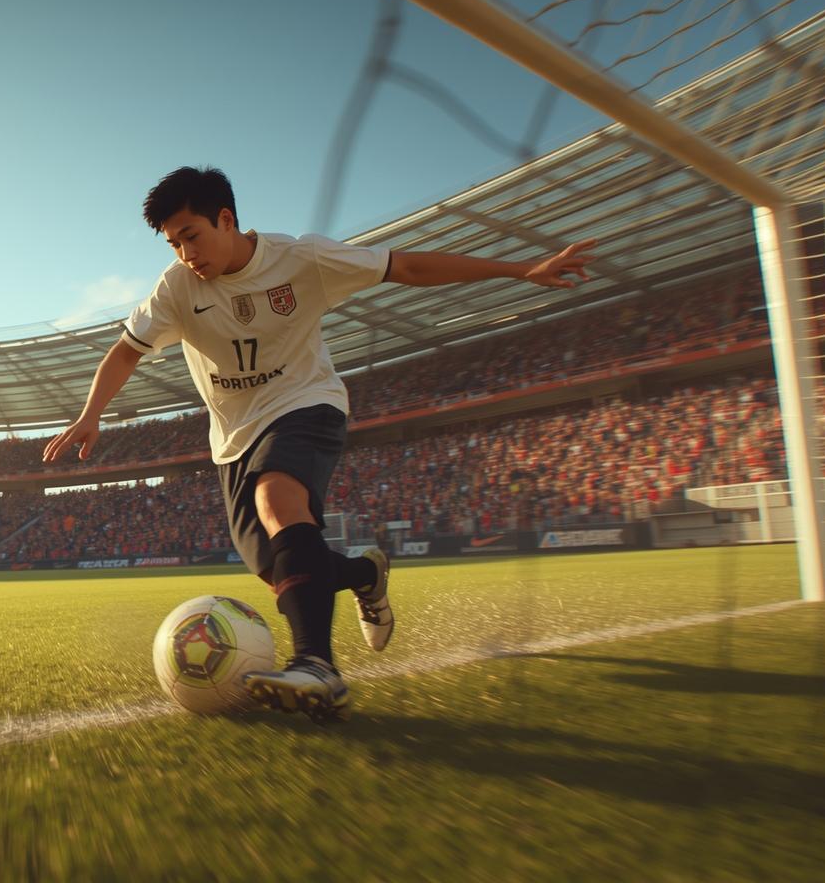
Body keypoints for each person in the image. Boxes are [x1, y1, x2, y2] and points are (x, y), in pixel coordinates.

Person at [43, 166, 594, 720]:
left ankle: (316, 666)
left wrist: (522, 268)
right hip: (233, 437)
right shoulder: (176, 287)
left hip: (307, 403)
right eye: (174, 243)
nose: (186, 254)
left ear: (226, 219)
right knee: (277, 567)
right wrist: (91, 414)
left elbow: (407, 265)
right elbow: (127, 350)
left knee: (276, 498)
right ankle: (363, 574)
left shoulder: (301, 259)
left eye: (192, 235)